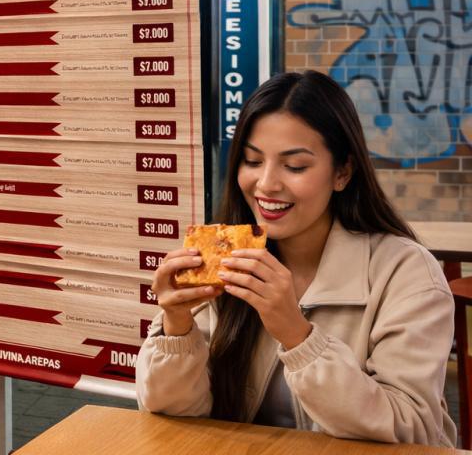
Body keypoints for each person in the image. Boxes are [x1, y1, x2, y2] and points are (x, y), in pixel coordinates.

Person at [136, 70, 456, 446]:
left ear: (342, 172)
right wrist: (177, 328)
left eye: (295, 166)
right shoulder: (224, 261)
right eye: (252, 161)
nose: (267, 184)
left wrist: (296, 335)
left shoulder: (406, 273)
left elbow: (412, 429)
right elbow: (170, 413)